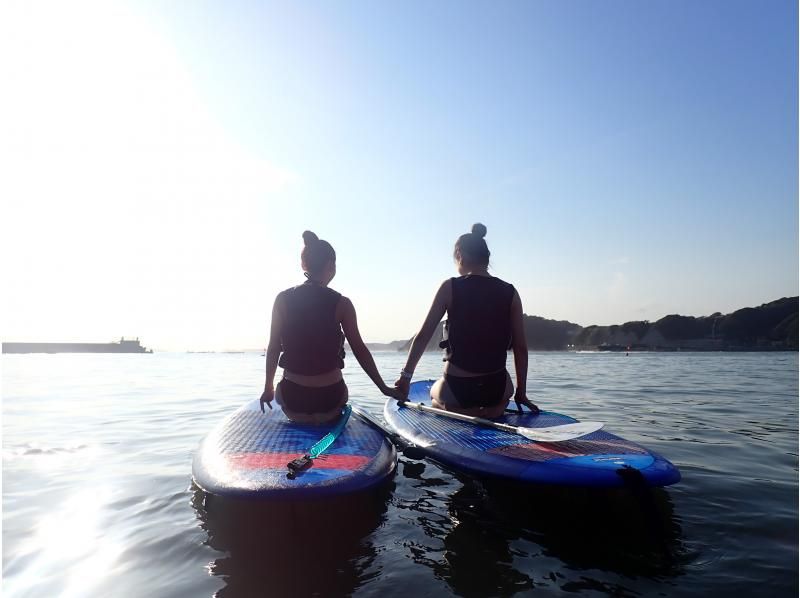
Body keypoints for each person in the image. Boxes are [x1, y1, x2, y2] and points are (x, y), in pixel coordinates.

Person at [394, 223, 539, 419]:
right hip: (497, 396)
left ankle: (446, 406)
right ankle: (486, 410)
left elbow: (422, 337)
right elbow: (520, 348)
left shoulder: (449, 287)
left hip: (457, 395)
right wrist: (521, 393)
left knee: (433, 395)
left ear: (459, 255)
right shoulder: (510, 292)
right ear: (486, 259)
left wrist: (405, 378)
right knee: (495, 401)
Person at [260, 230, 402, 423]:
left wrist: (268, 388)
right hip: (331, 403)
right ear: (331, 266)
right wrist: (383, 388)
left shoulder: (282, 300)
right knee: (340, 393)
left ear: (303, 264)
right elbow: (360, 350)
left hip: (294, 405)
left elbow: (274, 346)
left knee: (280, 392)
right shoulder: (343, 304)